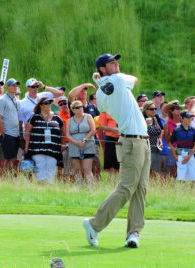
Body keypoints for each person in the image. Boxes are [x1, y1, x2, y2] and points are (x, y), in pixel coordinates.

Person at [83, 53, 150, 249]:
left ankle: (133, 233)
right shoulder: (118, 80)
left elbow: (105, 94)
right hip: (131, 141)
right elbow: (136, 79)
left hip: (142, 141)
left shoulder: (102, 94)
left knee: (141, 189)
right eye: (112, 62)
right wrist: (103, 79)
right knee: (127, 188)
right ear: (103, 69)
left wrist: (100, 80)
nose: (117, 64)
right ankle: (94, 225)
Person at [25, 94, 65, 184]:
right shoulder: (34, 117)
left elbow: (63, 132)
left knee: (51, 171)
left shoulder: (57, 117)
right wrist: (27, 146)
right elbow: (27, 131)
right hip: (37, 149)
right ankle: (41, 189)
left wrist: (63, 144)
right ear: (41, 106)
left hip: (53, 149)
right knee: (40, 168)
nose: (48, 105)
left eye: (50, 103)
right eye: (46, 103)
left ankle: (49, 190)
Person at [69, 83, 101, 180]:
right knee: (80, 169)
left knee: (96, 167)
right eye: (81, 90)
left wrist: (93, 132)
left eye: (85, 90)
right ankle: (82, 189)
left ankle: (96, 190)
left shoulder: (93, 107)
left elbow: (99, 122)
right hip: (77, 143)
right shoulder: (74, 106)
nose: (83, 92)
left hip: (92, 141)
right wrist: (84, 85)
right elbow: (70, 95)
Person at [0, 78, 23, 178]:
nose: (15, 87)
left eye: (16, 85)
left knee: (15, 158)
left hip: (16, 133)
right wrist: (2, 133)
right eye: (13, 85)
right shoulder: (2, 100)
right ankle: (6, 178)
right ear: (8, 87)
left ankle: (13, 178)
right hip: (7, 133)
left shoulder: (16, 100)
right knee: (9, 158)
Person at [66, 100, 96, 184]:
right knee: (77, 170)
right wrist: (76, 143)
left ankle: (90, 189)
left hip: (88, 145)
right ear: (73, 110)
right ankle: (78, 188)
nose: (80, 109)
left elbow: (93, 130)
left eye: (81, 107)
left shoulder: (88, 116)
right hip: (74, 146)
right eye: (78, 107)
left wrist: (84, 140)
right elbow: (68, 135)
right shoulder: (69, 121)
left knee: (87, 169)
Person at [170, 111, 195, 181]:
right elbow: (170, 143)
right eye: (187, 118)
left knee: (192, 177)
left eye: (190, 118)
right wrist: (175, 156)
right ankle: (181, 191)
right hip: (180, 154)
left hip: (191, 155)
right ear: (182, 119)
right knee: (181, 178)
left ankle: (190, 191)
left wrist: (189, 156)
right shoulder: (176, 130)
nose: (189, 119)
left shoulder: (193, 130)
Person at [142, 101, 163, 179]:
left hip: (156, 148)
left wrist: (160, 139)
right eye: (151, 109)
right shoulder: (142, 119)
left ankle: (153, 187)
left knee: (155, 171)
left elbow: (160, 130)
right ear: (146, 110)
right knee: (148, 171)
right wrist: (145, 125)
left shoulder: (156, 118)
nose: (154, 110)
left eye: (155, 108)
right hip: (146, 148)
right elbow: (140, 133)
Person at [98, 111, 120, 182]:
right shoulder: (106, 109)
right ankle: (111, 186)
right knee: (112, 167)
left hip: (125, 138)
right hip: (111, 139)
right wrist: (112, 129)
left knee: (125, 165)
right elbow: (100, 126)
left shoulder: (125, 106)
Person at [163, 100, 181, 179]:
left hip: (183, 149)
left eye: (179, 108)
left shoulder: (184, 121)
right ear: (171, 111)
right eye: (176, 109)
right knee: (173, 170)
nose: (179, 110)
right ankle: (173, 186)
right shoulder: (167, 124)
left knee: (182, 170)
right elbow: (166, 139)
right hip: (172, 149)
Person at [57, 96, 73, 180]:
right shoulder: (58, 116)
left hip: (73, 142)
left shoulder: (73, 114)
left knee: (72, 165)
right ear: (58, 106)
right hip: (63, 143)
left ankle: (70, 183)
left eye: (65, 103)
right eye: (61, 104)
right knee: (61, 165)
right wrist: (61, 144)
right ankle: (61, 183)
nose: (63, 105)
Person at [158, 102, 170, 178]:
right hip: (160, 152)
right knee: (158, 173)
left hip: (170, 152)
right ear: (160, 109)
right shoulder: (157, 120)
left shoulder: (172, 121)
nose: (166, 110)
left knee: (168, 174)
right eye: (164, 108)